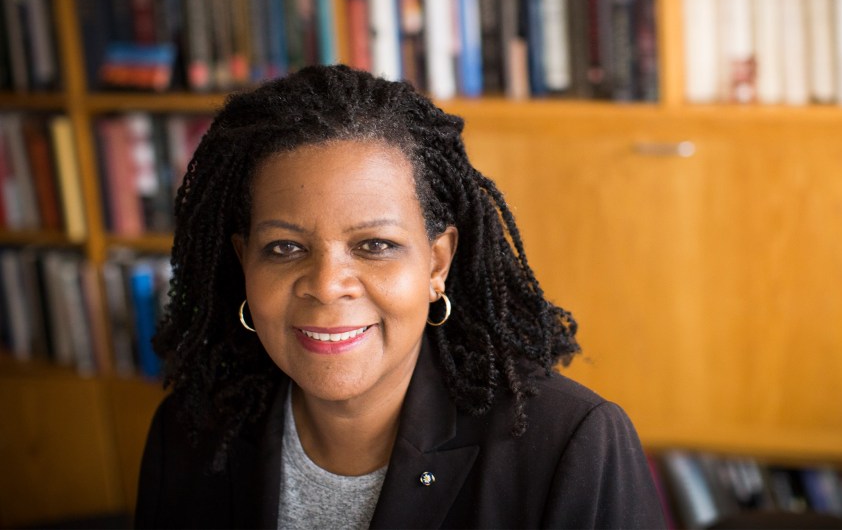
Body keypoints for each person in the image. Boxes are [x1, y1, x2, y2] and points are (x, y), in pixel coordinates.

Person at [135, 64, 666, 529]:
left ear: (437, 263)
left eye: (374, 246)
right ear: (244, 260)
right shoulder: (190, 434)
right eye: (285, 247)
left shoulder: (569, 445)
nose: (326, 283)